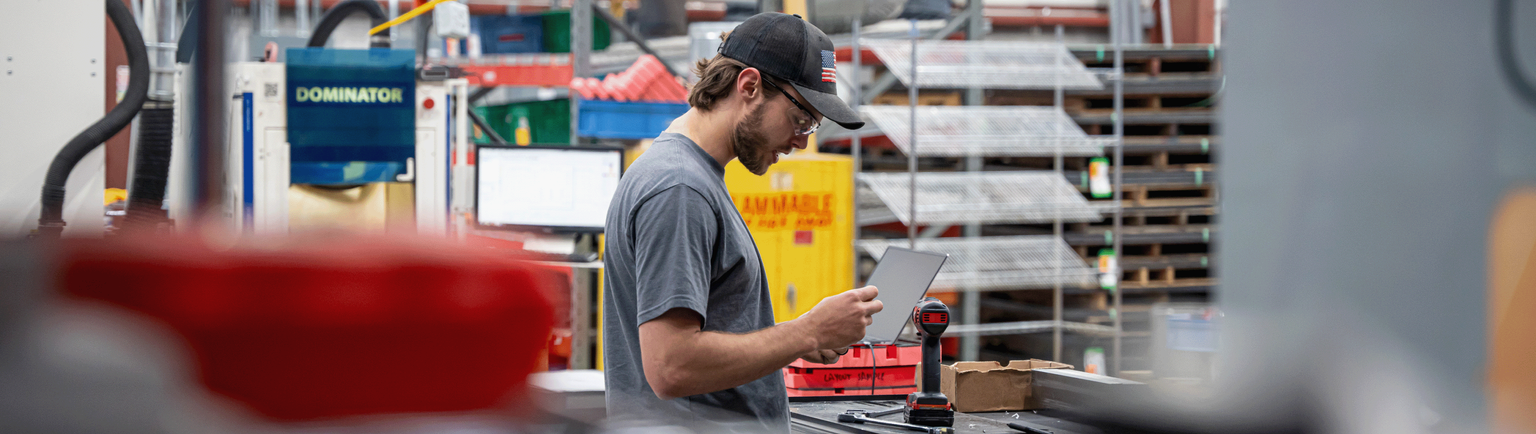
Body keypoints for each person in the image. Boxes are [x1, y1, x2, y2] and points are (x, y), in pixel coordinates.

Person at [601, 12, 880, 433]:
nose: (802, 141)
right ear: (749, 86)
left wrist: (799, 337)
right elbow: (671, 367)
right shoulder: (680, 189)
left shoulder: (690, 175)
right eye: (801, 119)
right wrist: (806, 332)